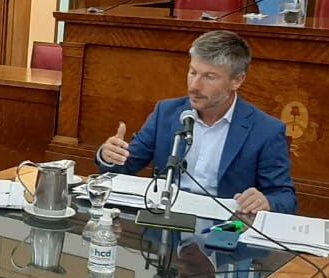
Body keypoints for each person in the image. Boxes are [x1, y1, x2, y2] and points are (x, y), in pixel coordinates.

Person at [96, 30, 297, 214]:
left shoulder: (266, 131)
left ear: (237, 80)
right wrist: (109, 155)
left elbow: (285, 198)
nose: (194, 86)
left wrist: (266, 202)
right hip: (166, 226)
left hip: (223, 233)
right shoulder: (166, 113)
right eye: (193, 72)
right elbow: (126, 165)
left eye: (209, 77)